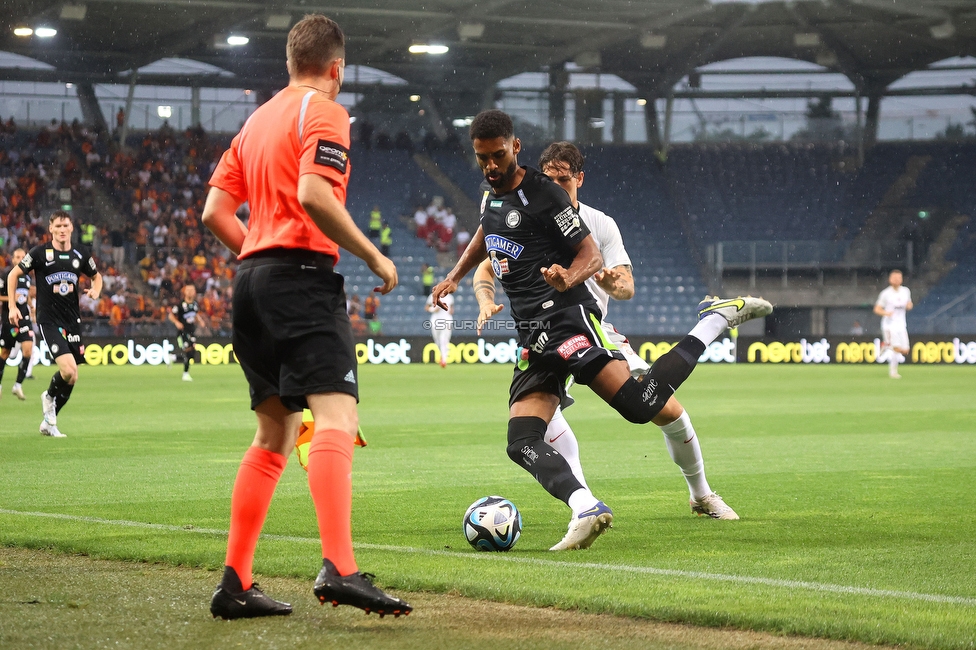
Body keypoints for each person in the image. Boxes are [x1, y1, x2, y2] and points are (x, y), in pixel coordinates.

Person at [431, 110, 771, 551]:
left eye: (498, 156)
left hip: (569, 320)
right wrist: (455, 276)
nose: (491, 167)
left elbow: (590, 255)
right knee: (521, 441)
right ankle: (585, 507)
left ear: (515, 148)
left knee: (639, 406)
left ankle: (714, 320)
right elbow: (486, 232)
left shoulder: (546, 194)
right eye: (482, 160)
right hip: (532, 335)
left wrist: (568, 278)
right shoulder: (491, 196)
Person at [201, 14, 409, 621]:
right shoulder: (324, 112)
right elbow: (317, 195)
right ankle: (341, 567)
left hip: (251, 282)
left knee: (274, 433)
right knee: (337, 416)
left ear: (290, 63)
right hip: (301, 278)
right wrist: (373, 255)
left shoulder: (257, 119)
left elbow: (216, 211)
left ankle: (235, 581)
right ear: (336, 68)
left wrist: (258, 256)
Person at [473, 141, 740, 531]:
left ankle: (701, 494)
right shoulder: (527, 210)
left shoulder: (600, 224)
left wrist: (612, 283)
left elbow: (626, 287)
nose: (556, 187)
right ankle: (585, 506)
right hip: (540, 334)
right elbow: (488, 262)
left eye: (564, 179)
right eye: (549, 179)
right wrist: (484, 299)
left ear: (579, 179)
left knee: (660, 410)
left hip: (591, 328)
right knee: (534, 428)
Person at [7, 211, 103, 438]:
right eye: (57, 226)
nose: (61, 229)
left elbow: (96, 276)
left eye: (65, 225)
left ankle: (49, 422)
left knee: (73, 376)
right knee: (68, 369)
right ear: (50, 228)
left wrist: (96, 290)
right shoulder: (39, 253)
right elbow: (13, 275)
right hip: (48, 320)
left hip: (72, 321)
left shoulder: (81, 253)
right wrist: (12, 306)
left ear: (71, 228)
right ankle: (48, 396)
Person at [1, 248, 36, 401]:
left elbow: (25, 294)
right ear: (13, 259)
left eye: (23, 257)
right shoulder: (5, 276)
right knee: (5, 353)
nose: (21, 259)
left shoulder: (27, 277)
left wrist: (31, 306)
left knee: (28, 350)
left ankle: (18, 385)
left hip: (24, 318)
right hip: (10, 318)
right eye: (18, 257)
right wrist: (11, 298)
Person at [874, 269, 912, 379]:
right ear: (890, 279)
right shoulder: (886, 294)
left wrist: (909, 305)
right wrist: (886, 313)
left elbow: (909, 303)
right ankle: (893, 372)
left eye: (899, 278)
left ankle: (886, 345)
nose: (896, 280)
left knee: (905, 350)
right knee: (896, 349)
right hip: (889, 325)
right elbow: (877, 309)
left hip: (901, 325)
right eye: (894, 278)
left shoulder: (905, 291)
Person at [168, 284, 204, 381]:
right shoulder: (180, 305)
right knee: (189, 351)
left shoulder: (195, 304)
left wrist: (200, 320)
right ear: (184, 292)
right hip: (183, 332)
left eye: (192, 290)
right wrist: (177, 322)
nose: (190, 292)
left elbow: (195, 315)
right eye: (188, 290)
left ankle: (174, 357)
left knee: (191, 354)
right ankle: (185, 374)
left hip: (191, 332)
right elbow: (171, 316)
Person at [425, 285, 453, 368]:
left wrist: (450, 311)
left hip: (446, 321)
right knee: (437, 341)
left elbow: (451, 309)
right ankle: (442, 355)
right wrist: (433, 309)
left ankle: (444, 360)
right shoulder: (432, 296)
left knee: (444, 340)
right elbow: (426, 307)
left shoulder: (450, 297)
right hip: (435, 322)